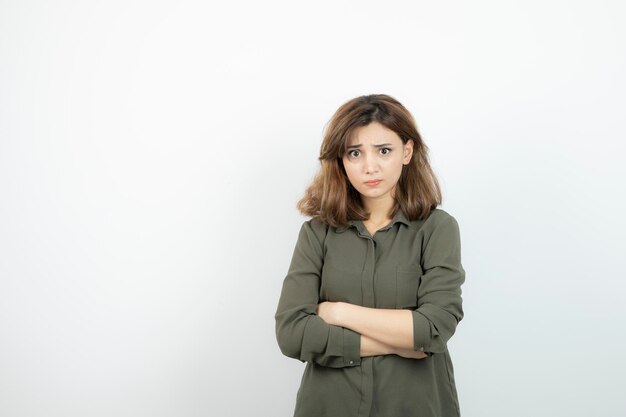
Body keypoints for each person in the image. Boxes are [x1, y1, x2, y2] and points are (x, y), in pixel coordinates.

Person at [274, 94, 466, 417]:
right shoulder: (317, 233)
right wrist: (398, 343)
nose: (369, 166)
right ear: (341, 159)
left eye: (384, 150)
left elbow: (433, 328)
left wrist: (338, 312)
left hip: (415, 407)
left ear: (407, 151)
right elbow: (292, 333)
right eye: (355, 153)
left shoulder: (437, 229)